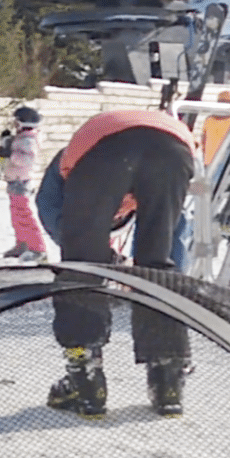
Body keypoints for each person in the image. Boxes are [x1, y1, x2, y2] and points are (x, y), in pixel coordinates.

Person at [37, 108, 196, 419]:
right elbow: (171, 248)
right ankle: (168, 379)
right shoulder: (64, 177)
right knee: (157, 266)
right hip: (174, 147)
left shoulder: (77, 168)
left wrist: (90, 254)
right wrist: (158, 276)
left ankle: (85, 380)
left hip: (107, 147)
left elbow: (65, 229)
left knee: (81, 268)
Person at [0, 106, 47, 261]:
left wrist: (11, 155)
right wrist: (6, 142)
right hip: (14, 180)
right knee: (16, 216)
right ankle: (22, 243)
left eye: (17, 122)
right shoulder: (21, 138)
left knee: (24, 215)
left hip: (21, 181)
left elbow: (26, 160)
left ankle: (38, 248)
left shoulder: (29, 140)